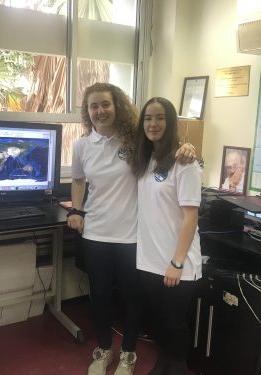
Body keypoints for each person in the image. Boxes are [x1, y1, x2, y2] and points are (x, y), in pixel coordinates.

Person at [67, 83, 196, 375]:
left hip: (132, 236)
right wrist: (76, 209)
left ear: (117, 107)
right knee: (99, 295)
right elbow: (77, 180)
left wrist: (188, 148)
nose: (100, 111)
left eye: (105, 104)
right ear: (87, 112)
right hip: (96, 233)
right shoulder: (82, 146)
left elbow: (166, 146)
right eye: (93, 106)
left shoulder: (135, 142)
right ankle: (102, 349)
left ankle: (128, 354)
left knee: (131, 298)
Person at [132, 97, 202, 375]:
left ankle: (178, 367)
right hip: (149, 259)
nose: (153, 123)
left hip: (177, 263)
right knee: (158, 321)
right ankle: (163, 363)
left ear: (170, 122)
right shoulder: (144, 159)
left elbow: (190, 217)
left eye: (160, 117)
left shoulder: (184, 163)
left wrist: (177, 262)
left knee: (174, 322)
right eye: (148, 118)